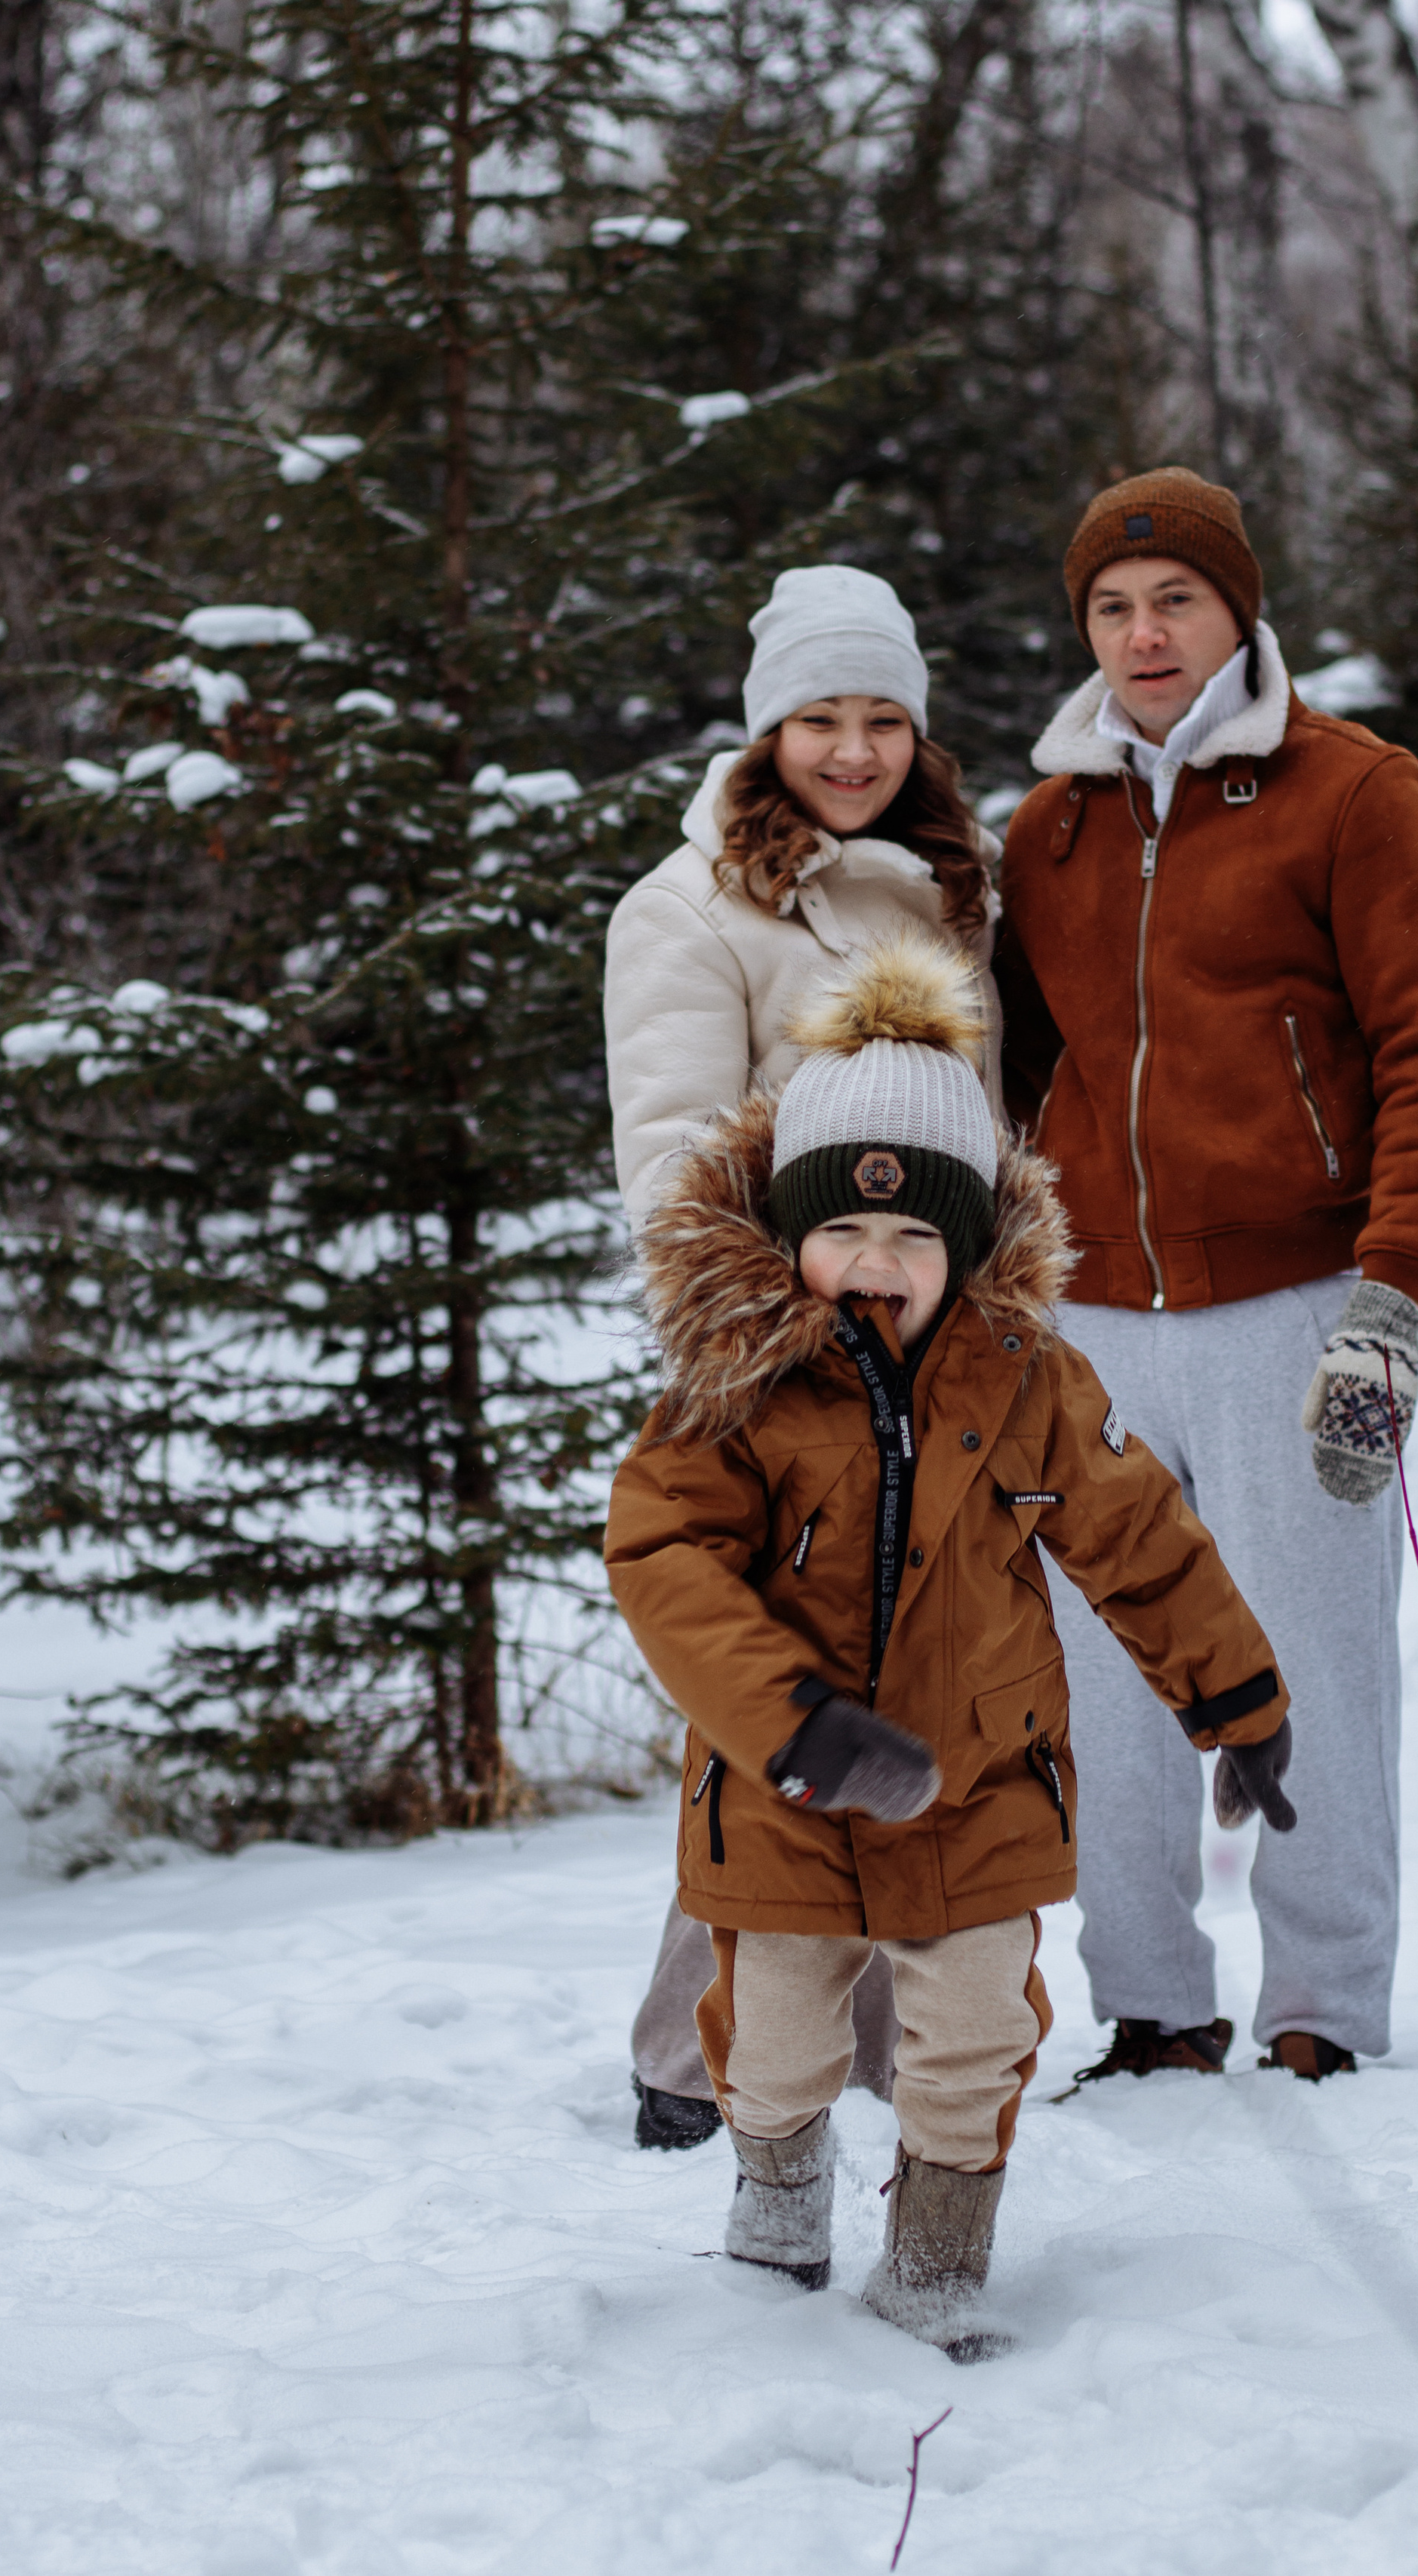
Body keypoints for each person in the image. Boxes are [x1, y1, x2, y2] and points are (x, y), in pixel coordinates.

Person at [604, 937, 1294, 2357]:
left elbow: (1138, 1535)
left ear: (969, 1245)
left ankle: (934, 2269)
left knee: (977, 2037)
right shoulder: (733, 1388)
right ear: (789, 1230)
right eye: (847, 1229)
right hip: (788, 1790)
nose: (879, 1263)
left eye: (917, 1235)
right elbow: (664, 1561)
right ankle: (779, 2204)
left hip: (975, 1782)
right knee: (777, 2047)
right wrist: (789, 1717)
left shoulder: (1029, 1377)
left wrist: (1235, 1694)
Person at [995, 466, 1418, 2082]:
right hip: (1091, 1322)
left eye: (1176, 602)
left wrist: (1388, 1296)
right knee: (1106, 1673)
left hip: (1293, 1310)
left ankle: (1322, 2010)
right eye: (1112, 608)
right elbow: (1010, 1073)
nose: (1144, 636)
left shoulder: (1352, 792)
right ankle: (1149, 2005)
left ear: (1237, 610)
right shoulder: (1046, 828)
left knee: (1313, 1664)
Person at [604, 564, 1002, 2149]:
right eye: (820, 718)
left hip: (947, 1356)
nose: (852, 750)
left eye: (883, 717)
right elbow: (673, 1172)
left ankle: (884, 2049)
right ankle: (688, 2060)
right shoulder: (691, 909)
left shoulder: (952, 886)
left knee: (923, 1697)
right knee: (775, 1702)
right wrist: (786, 1349)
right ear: (767, 729)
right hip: (782, 1367)